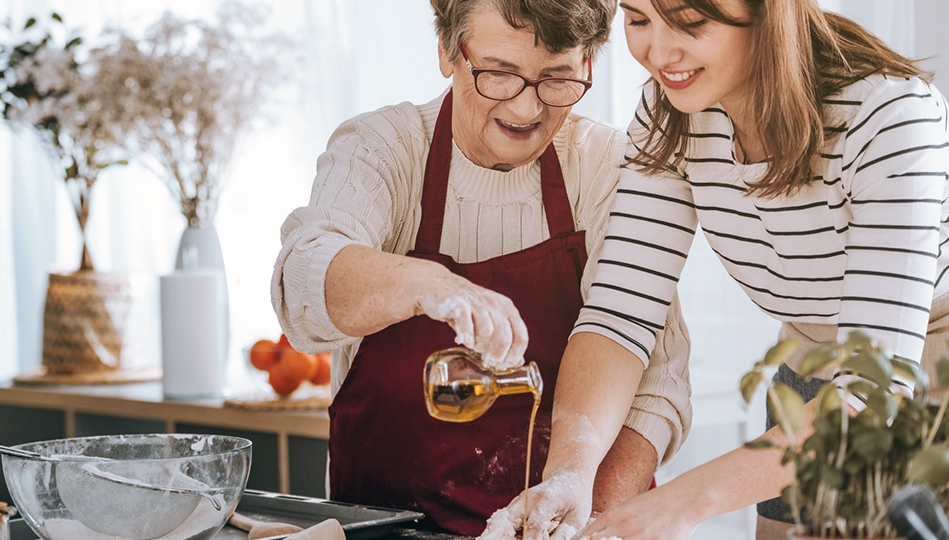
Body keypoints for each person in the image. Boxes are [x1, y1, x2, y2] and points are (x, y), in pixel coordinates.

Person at [483, 0, 949, 538]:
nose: (658, 53)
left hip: (923, 376)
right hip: (810, 368)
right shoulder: (669, 112)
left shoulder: (890, 115)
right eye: (638, 21)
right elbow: (620, 314)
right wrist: (571, 471)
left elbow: (872, 392)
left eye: (688, 21)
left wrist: (674, 505)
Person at [270, 0, 693, 536]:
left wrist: (587, 519)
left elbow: (657, 383)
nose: (526, 109)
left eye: (557, 79)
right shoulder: (384, 148)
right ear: (447, 49)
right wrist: (427, 284)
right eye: (499, 74)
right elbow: (301, 286)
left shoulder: (608, 166)